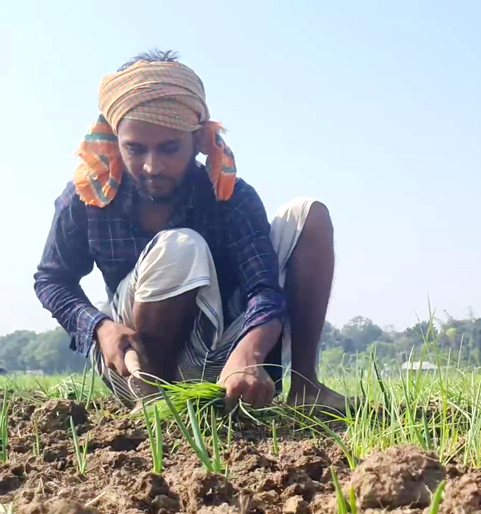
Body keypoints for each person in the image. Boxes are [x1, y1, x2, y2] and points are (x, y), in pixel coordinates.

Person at [34, 50, 348, 412]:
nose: (152, 166)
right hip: (134, 365)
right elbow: (51, 279)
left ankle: (305, 388)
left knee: (308, 215)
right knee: (179, 247)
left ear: (197, 140)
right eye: (135, 149)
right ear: (115, 140)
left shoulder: (229, 196)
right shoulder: (87, 197)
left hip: (224, 362)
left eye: (169, 148)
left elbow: (264, 289)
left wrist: (249, 352)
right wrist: (100, 327)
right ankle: (156, 401)